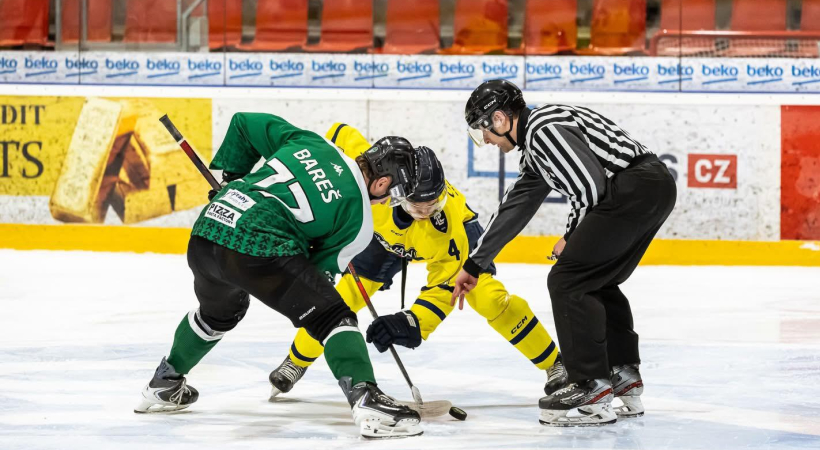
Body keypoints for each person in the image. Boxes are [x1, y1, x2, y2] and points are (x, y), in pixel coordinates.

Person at [134, 112, 425, 439]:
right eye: (392, 194)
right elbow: (314, 275)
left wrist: (233, 180)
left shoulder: (312, 142)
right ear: (382, 182)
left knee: (218, 314)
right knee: (334, 316)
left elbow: (243, 123)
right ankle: (368, 400)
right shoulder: (360, 222)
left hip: (209, 228)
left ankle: (164, 382)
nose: (387, 201)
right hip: (259, 245)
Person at [268, 123, 568, 400]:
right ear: (395, 191)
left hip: (455, 245)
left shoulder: (445, 226)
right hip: (380, 239)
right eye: (418, 204)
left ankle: (554, 363)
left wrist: (412, 322)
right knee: (342, 297)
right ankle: (295, 362)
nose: (426, 211)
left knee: (489, 298)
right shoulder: (376, 180)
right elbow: (338, 133)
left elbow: (446, 284)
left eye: (433, 203)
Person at [453, 80, 677, 427]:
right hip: (648, 187)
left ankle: (590, 384)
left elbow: (590, 187)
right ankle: (622, 373)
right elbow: (516, 206)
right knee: (595, 279)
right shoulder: (536, 144)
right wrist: (474, 264)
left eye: (484, 130)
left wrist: (571, 236)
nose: (486, 141)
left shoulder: (543, 130)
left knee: (567, 280)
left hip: (635, 188)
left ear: (499, 118)